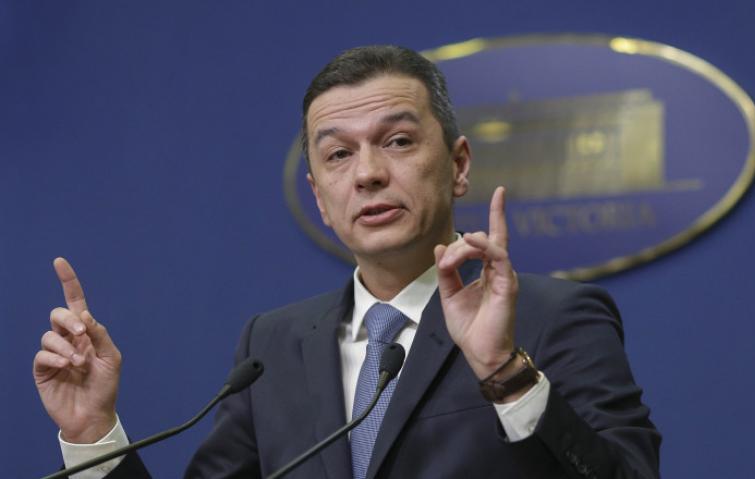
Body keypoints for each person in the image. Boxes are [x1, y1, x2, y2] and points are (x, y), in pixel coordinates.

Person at [34, 45, 661, 478]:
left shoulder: (553, 317)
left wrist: (504, 373)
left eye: (398, 141)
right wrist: (93, 434)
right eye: (338, 154)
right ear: (319, 198)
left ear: (458, 165)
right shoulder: (272, 347)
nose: (367, 174)